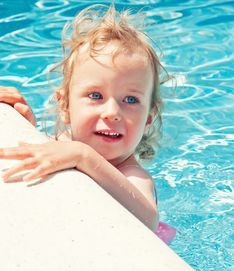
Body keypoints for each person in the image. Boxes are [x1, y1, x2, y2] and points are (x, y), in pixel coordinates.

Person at [0, 5, 176, 243]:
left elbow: (147, 220)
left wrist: (84, 156)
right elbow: (45, 151)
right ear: (65, 107)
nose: (112, 112)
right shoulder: (65, 143)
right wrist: (24, 124)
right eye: (95, 96)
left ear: (148, 118)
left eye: (131, 100)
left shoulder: (132, 174)